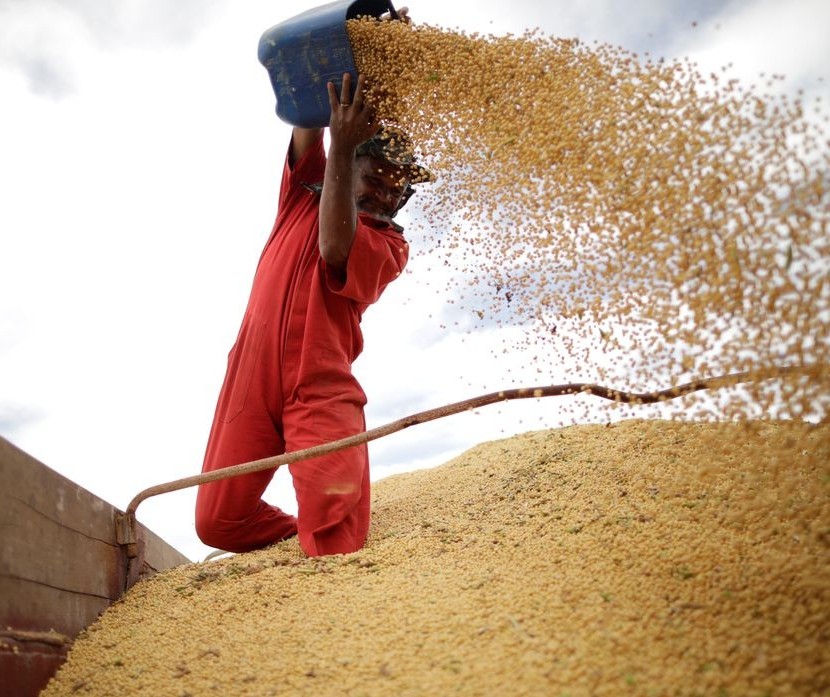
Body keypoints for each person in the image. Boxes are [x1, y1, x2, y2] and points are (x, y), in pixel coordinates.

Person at [194, 71, 430, 557]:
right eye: (378, 176)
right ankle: (299, 535)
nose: (388, 192)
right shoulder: (303, 192)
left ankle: (323, 544)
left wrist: (344, 146)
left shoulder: (391, 245)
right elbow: (306, 121)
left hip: (319, 384)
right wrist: (349, 63)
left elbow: (334, 246)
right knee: (217, 522)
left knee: (336, 543)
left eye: (398, 187)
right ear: (351, 164)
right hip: (249, 376)